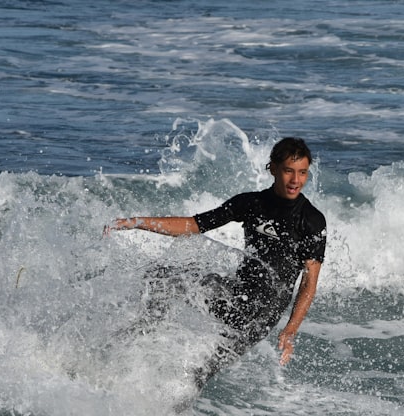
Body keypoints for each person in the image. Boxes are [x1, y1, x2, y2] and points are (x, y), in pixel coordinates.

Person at [109, 137, 326, 381]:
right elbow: (194, 224)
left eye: (302, 173)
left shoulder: (311, 220)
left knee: (200, 372)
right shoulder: (250, 203)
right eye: (288, 171)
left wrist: (290, 330)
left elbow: (309, 284)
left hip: (260, 317)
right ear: (273, 169)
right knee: (162, 278)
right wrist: (137, 222)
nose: (296, 180)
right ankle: (138, 337)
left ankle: (169, 413)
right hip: (235, 295)